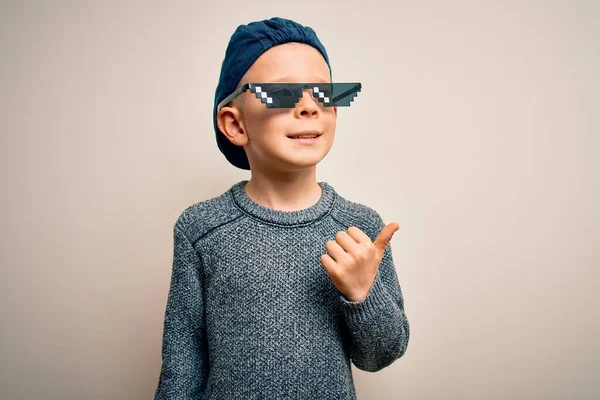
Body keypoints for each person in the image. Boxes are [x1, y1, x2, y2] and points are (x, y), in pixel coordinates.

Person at [154, 16, 410, 400]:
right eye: (282, 93)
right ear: (235, 124)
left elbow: (379, 355)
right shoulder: (200, 228)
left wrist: (363, 295)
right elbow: (182, 364)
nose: (309, 107)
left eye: (324, 94)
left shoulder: (360, 228)